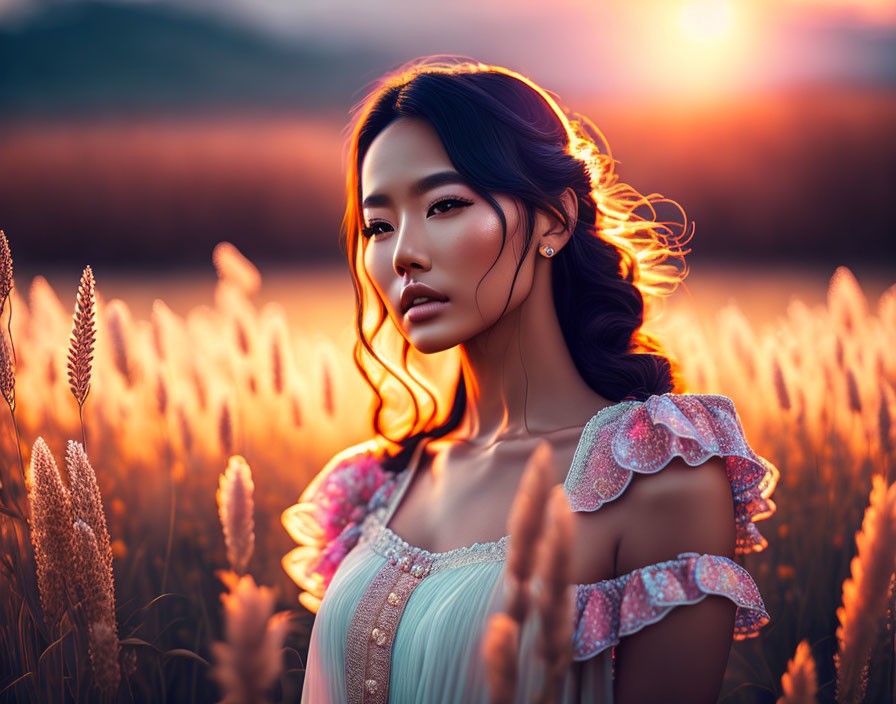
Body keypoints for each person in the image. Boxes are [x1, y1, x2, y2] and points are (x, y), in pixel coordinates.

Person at [281, 56, 778, 703]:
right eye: (379, 225)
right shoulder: (377, 484)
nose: (402, 252)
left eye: (445, 205)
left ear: (554, 221)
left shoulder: (659, 478)